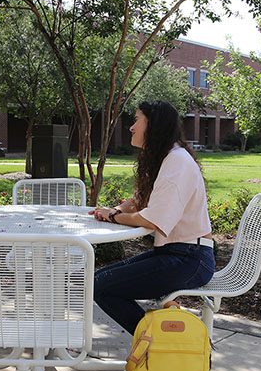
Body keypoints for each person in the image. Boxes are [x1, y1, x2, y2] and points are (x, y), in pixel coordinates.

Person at [90, 100, 215, 335]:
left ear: (153, 124)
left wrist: (114, 217)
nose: (131, 127)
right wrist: (114, 210)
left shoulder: (177, 160)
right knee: (99, 281)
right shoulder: (168, 157)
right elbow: (141, 200)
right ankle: (157, 342)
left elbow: (152, 219)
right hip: (179, 254)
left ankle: (157, 343)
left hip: (190, 260)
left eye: (137, 120)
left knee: (100, 285)